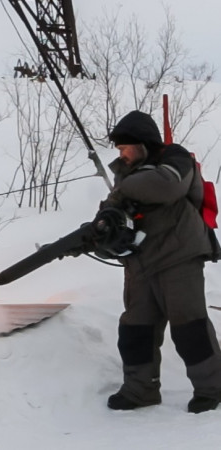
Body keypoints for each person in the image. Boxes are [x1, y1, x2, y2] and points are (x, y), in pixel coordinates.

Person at [101, 110, 221, 414]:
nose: (122, 153)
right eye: (119, 149)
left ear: (143, 143)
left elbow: (167, 185)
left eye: (126, 147)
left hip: (180, 255)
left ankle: (213, 389)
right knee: (135, 328)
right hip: (141, 261)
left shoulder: (175, 158)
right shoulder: (126, 173)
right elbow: (118, 216)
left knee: (189, 326)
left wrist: (120, 192)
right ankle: (140, 390)